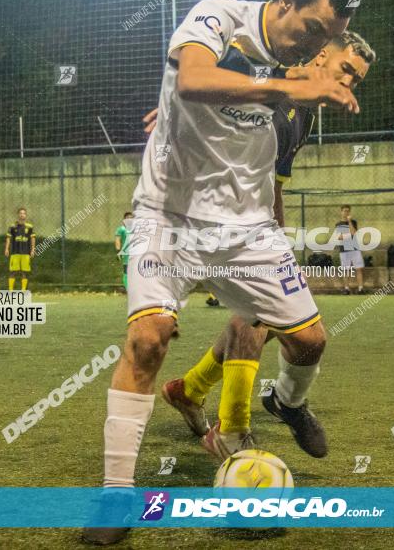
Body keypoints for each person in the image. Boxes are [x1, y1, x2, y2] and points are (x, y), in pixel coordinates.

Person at [83, 0, 360, 544]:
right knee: (148, 338)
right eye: (313, 29)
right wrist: (279, 87)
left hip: (247, 233)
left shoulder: (301, 86)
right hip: (169, 217)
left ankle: (286, 403)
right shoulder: (217, 15)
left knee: (310, 341)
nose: (317, 45)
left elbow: (237, 124)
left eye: (326, 39)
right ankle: (115, 497)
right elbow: (192, 78)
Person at [160, 31, 375, 460]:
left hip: (254, 231)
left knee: (307, 338)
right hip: (206, 220)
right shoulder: (261, 78)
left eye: (357, 78)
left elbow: (275, 183)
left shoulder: (306, 114)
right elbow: (204, 82)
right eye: (346, 69)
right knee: (255, 320)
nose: (349, 82)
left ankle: (192, 390)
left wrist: (278, 243)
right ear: (319, 54)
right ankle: (233, 430)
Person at [335, 204, 364, 294]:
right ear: (341, 212)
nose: (346, 212)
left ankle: (360, 288)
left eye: (348, 211)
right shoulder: (338, 224)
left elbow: (354, 232)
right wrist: (349, 235)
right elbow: (339, 237)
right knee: (345, 270)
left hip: (355, 249)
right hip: (344, 250)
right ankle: (346, 288)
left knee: (358, 269)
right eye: (344, 211)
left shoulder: (353, 222)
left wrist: (349, 221)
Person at [4, 207, 35, 291]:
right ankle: (10, 290)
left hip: (25, 252)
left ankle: (23, 290)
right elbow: (8, 238)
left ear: (26, 215)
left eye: (24, 213)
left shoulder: (29, 227)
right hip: (15, 252)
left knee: (24, 272)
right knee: (13, 271)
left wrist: (32, 249)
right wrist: (6, 249)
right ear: (18, 215)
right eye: (20, 213)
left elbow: (32, 238)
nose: (22, 215)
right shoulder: (12, 226)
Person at [114, 211, 132, 290]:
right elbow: (117, 240)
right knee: (126, 272)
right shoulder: (121, 229)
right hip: (127, 254)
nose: (130, 220)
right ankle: (129, 290)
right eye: (128, 218)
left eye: (131, 218)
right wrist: (118, 251)